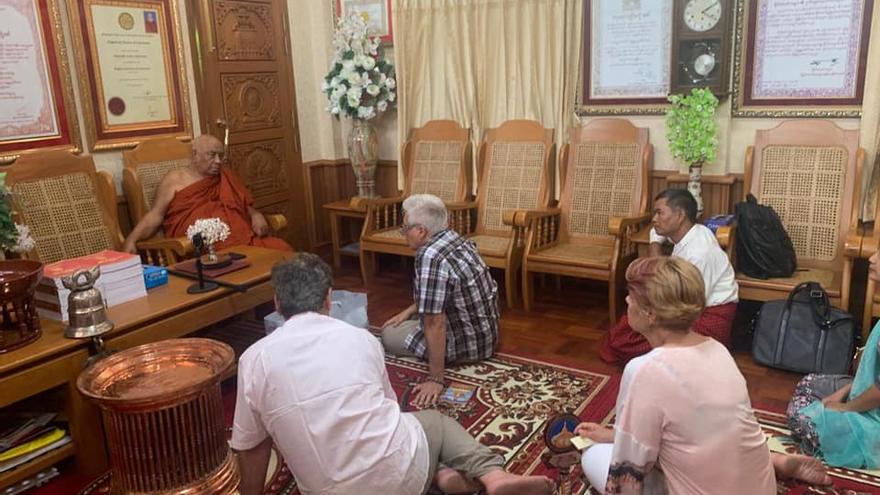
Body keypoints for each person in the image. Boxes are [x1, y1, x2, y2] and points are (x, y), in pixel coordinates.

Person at [231, 253, 553, 495]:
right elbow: (389, 411)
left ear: (276, 302)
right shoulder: (358, 338)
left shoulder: (252, 359)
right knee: (432, 422)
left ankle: (442, 477)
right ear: (329, 297)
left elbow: (250, 446)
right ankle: (493, 476)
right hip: (397, 479)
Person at [579, 256, 830, 494]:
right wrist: (614, 435)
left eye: (631, 295)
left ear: (651, 313)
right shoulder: (716, 349)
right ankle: (772, 460)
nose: (627, 301)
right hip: (760, 486)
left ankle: (772, 461)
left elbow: (628, 472)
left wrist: (612, 443)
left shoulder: (644, 370)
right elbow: (695, 428)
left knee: (593, 457)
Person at [380, 194, 500, 408]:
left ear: (421, 231)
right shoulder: (453, 238)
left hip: (469, 346)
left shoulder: (430, 256)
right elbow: (447, 289)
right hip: (488, 337)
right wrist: (409, 310)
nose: (403, 233)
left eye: (405, 227)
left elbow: (435, 322)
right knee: (409, 319)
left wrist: (436, 379)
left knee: (389, 334)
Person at [599, 188, 737, 366]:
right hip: (684, 305)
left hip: (705, 315)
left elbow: (689, 304)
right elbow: (655, 234)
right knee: (629, 325)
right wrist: (656, 244)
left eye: (659, 213)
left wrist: (652, 315)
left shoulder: (700, 252)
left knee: (627, 339)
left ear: (679, 215)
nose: (654, 219)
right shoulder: (689, 233)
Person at [786, 250, 880, 469]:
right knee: (809, 384)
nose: (872, 258)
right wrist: (840, 395)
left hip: (875, 419)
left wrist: (844, 408)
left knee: (801, 419)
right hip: (868, 394)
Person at [121, 135, 292, 253]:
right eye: (212, 155)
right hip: (202, 249)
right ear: (195, 154)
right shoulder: (175, 179)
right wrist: (132, 238)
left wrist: (255, 214)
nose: (218, 161)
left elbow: (242, 203)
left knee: (281, 249)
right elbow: (155, 215)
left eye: (220, 156)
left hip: (242, 241)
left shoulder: (225, 176)